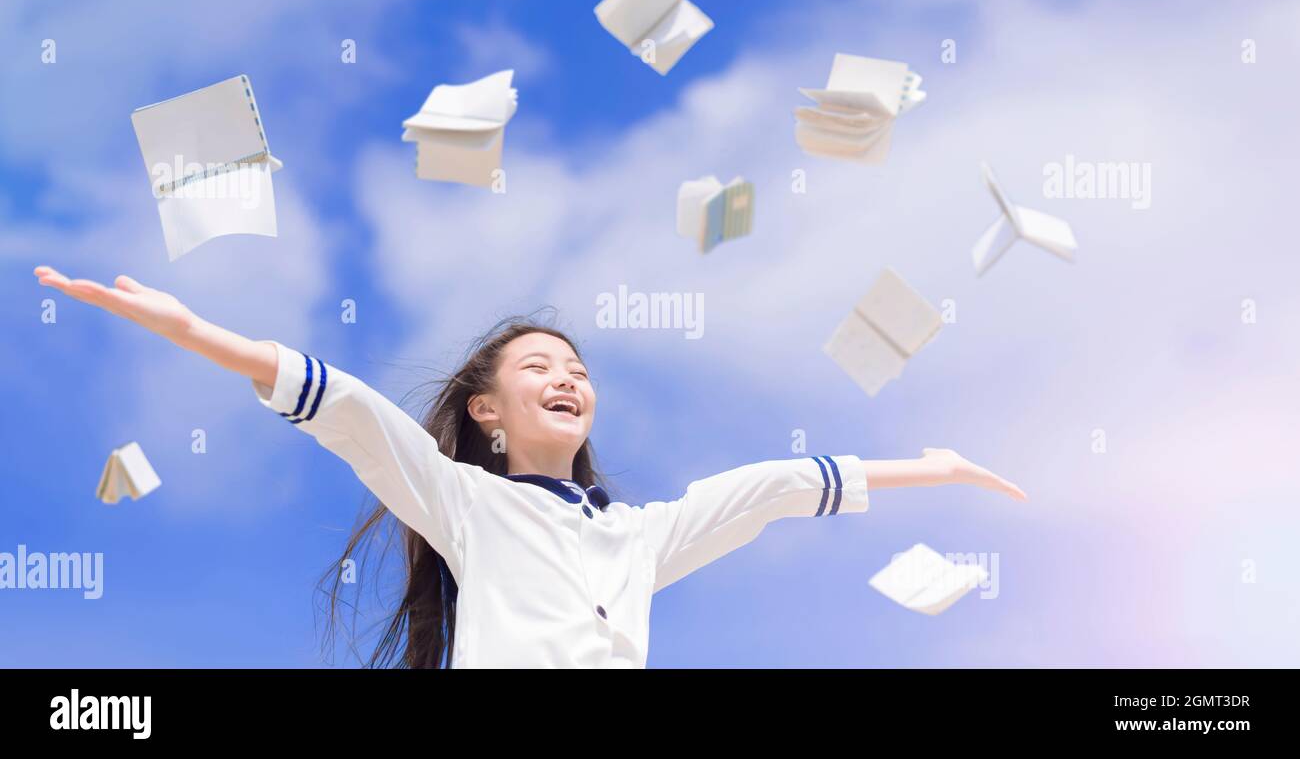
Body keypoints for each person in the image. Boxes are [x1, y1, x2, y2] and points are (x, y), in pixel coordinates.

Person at [33, 265, 1028, 669]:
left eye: (578, 370)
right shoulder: (463, 501)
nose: (567, 379)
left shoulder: (640, 537)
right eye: (539, 367)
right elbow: (349, 411)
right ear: (487, 412)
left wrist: (926, 465)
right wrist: (198, 329)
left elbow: (771, 486)